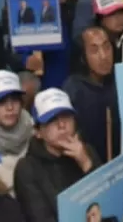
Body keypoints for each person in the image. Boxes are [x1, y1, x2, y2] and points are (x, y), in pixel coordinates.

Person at [12, 89, 97, 221]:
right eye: (52, 120)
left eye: (66, 117)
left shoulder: (87, 152)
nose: (62, 125)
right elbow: (41, 218)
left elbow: (109, 202)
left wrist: (86, 164)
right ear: (38, 132)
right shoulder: (27, 168)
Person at [62, 28, 120, 165]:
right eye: (94, 50)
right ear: (83, 57)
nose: (103, 56)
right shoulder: (73, 89)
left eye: (107, 47)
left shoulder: (121, 79)